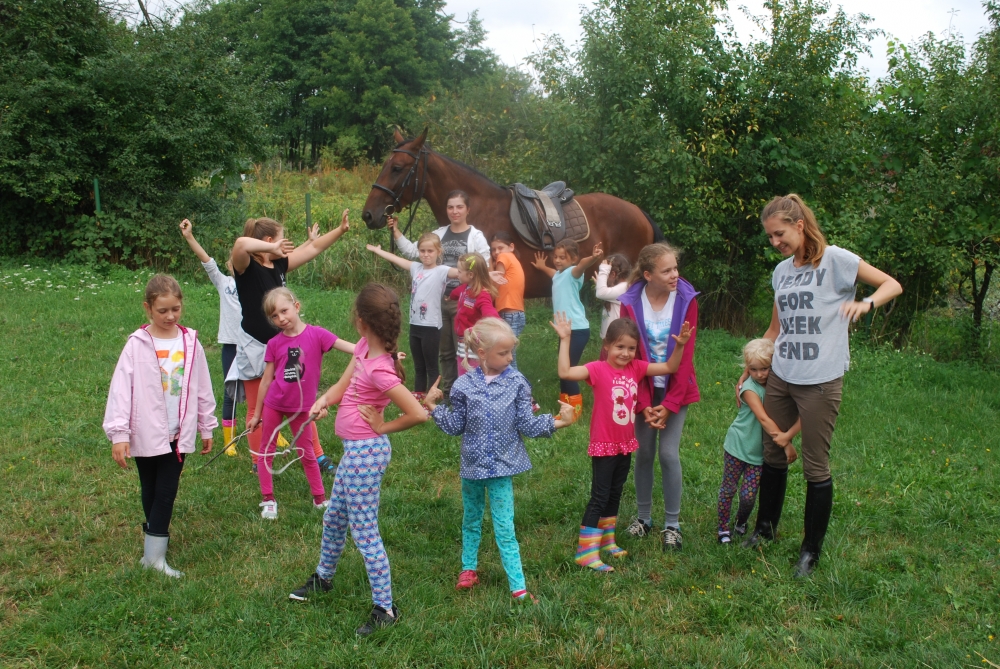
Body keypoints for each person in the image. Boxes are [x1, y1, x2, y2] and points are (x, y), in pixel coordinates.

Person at [739, 194, 901, 577]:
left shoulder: (836, 260)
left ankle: (811, 551)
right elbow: (775, 329)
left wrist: (866, 304)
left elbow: (891, 284)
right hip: (781, 375)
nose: (775, 242)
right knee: (773, 453)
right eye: (770, 237)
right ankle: (765, 529)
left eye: (780, 234)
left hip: (820, 380)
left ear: (799, 225)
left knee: (815, 464)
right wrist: (750, 365)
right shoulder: (781, 272)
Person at [288, 284, 429, 637]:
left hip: (366, 453)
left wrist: (382, 426)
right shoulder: (364, 347)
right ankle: (324, 578)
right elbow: (342, 386)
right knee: (335, 517)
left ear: (362, 321)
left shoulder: (380, 369)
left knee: (365, 532)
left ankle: (385, 608)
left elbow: (417, 413)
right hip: (355, 451)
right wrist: (323, 401)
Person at [423, 318, 576, 601]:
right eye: (503, 353)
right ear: (482, 353)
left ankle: (518, 588)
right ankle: (468, 569)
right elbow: (456, 426)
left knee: (505, 528)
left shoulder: (517, 383)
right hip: (472, 467)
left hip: (502, 468)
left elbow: (527, 424)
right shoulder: (463, 386)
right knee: (471, 518)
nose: (509, 358)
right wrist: (433, 407)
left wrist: (559, 422)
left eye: (510, 353)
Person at [552, 314, 692, 572]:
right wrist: (565, 339)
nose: (625, 353)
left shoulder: (636, 368)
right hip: (604, 444)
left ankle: (607, 542)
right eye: (619, 347)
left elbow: (670, 367)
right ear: (606, 345)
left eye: (631, 348)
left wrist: (680, 345)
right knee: (600, 496)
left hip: (625, 443)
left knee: (615, 493)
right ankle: (586, 552)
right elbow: (565, 372)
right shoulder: (597, 369)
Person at [104, 274, 216, 578]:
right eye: (162, 310)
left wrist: (206, 425)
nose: (170, 316)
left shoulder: (191, 343)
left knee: (166, 491)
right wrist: (119, 434)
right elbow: (120, 391)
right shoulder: (136, 345)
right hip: (144, 432)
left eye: (175, 309)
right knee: (150, 489)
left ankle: (154, 558)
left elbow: (203, 387)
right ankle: (153, 543)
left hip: (177, 434)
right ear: (148, 308)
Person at [229, 213, 350, 474]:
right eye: (281, 240)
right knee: (257, 406)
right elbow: (240, 244)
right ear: (269, 241)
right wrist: (274, 247)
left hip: (283, 345)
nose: (284, 245)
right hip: (254, 346)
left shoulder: (278, 264)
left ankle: (317, 456)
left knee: (300, 401)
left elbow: (314, 248)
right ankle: (259, 461)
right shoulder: (246, 266)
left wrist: (340, 230)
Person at [247, 288, 356, 520]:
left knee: (307, 453)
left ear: (296, 307)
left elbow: (353, 348)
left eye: (284, 311)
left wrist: (382, 353)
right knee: (267, 451)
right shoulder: (274, 343)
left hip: (302, 409)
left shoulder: (317, 335)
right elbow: (266, 381)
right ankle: (268, 499)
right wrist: (257, 415)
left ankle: (319, 499)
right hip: (274, 404)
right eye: (274, 316)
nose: (281, 318)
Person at [618, 243, 700, 552]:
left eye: (676, 268)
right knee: (644, 453)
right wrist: (642, 403)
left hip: (676, 388)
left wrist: (670, 403)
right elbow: (630, 355)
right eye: (667, 271)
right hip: (642, 388)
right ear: (648, 274)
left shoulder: (686, 299)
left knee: (667, 454)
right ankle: (643, 518)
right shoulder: (630, 302)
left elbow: (686, 356)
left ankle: (672, 525)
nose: (675, 275)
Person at [389, 191, 491, 393]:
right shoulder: (440, 234)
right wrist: (396, 232)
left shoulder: (476, 236)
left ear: (468, 210)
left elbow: (484, 265)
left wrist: (486, 286)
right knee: (444, 352)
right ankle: (447, 391)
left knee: (465, 349)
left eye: (459, 207)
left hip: (465, 301)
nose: (455, 211)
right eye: (450, 207)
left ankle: (466, 391)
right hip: (439, 301)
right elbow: (413, 251)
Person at [717, 339, 800, 544]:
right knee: (728, 489)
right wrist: (786, 442)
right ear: (747, 368)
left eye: (764, 369)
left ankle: (741, 522)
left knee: (749, 495)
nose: (760, 374)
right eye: (753, 369)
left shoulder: (776, 386)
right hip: (737, 446)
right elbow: (763, 419)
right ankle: (723, 528)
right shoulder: (748, 389)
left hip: (758, 454)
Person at [179, 219, 245, 456]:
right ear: (230, 264)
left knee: (263, 391)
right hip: (231, 346)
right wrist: (189, 237)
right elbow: (207, 261)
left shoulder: (256, 284)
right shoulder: (223, 282)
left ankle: (274, 434)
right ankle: (229, 441)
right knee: (230, 393)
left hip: (254, 345)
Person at [366, 234, 458, 400]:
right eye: (422, 251)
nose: (426, 254)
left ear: (438, 252)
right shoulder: (416, 268)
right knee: (418, 366)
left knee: (431, 366)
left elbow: (464, 272)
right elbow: (396, 259)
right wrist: (378, 251)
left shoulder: (441, 271)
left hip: (431, 327)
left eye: (430, 251)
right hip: (415, 325)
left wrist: (487, 274)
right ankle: (418, 398)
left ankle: (432, 401)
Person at [531, 240, 605, 415]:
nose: (557, 260)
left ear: (573, 259)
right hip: (565, 331)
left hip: (577, 329)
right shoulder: (559, 274)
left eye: (562, 257)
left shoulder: (573, 273)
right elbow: (553, 274)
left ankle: (574, 411)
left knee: (568, 369)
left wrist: (593, 258)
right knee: (562, 368)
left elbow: (582, 265)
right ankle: (566, 406)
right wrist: (542, 267)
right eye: (556, 257)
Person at [450, 252, 500, 374]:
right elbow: (455, 293)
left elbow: (491, 315)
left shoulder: (482, 294)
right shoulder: (465, 288)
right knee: (463, 375)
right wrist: (450, 296)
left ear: (470, 274)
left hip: (474, 345)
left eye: (460, 271)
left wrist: (496, 325)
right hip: (462, 344)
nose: (457, 274)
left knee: (473, 376)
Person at [488, 231, 526, 370]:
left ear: (511, 247)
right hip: (516, 313)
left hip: (509, 313)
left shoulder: (504, 257)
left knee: (506, 355)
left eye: (500, 248)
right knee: (509, 353)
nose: (496, 252)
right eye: (493, 249)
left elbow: (495, 284)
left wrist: (489, 266)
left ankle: (514, 382)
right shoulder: (513, 259)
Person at [595, 254, 632, 339]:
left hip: (617, 337)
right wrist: (600, 285)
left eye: (605, 275)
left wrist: (604, 269)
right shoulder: (619, 287)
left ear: (613, 274)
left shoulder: (624, 287)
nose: (604, 278)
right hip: (613, 336)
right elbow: (603, 293)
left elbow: (600, 293)